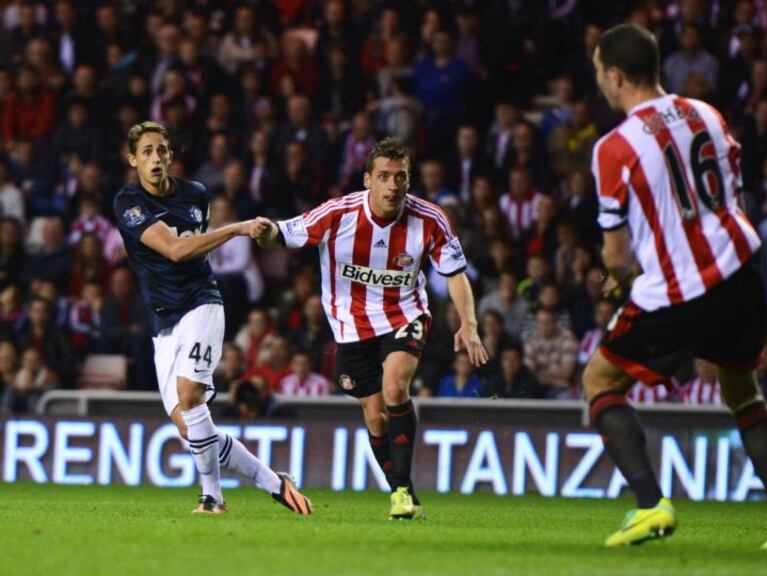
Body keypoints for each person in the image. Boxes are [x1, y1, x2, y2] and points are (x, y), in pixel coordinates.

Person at [582, 24, 767, 549]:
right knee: (742, 390)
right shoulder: (708, 114)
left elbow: (616, 254)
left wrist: (617, 285)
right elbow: (734, 199)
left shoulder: (614, 147)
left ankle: (650, 504)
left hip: (677, 289)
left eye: (597, 72)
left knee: (599, 382)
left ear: (615, 75)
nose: (598, 82)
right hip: (740, 272)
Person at [253, 138, 488, 520]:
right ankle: (404, 492)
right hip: (350, 326)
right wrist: (263, 233)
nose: (393, 185)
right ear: (368, 180)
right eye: (384, 177)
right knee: (376, 414)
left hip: (404, 314)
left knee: (396, 385)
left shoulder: (430, 219)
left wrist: (470, 323)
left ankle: (400, 491)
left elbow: (456, 273)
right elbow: (284, 234)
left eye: (401, 177)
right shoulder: (338, 214)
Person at [113, 121, 310, 515]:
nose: (155, 158)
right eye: (147, 151)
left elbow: (195, 254)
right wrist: (236, 228)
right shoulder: (128, 203)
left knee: (190, 396)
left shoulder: (196, 195)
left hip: (202, 303)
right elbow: (174, 250)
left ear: (171, 156)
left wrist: (214, 235)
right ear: (133, 158)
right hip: (162, 324)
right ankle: (276, 483)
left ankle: (213, 499)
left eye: (162, 150)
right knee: (192, 429)